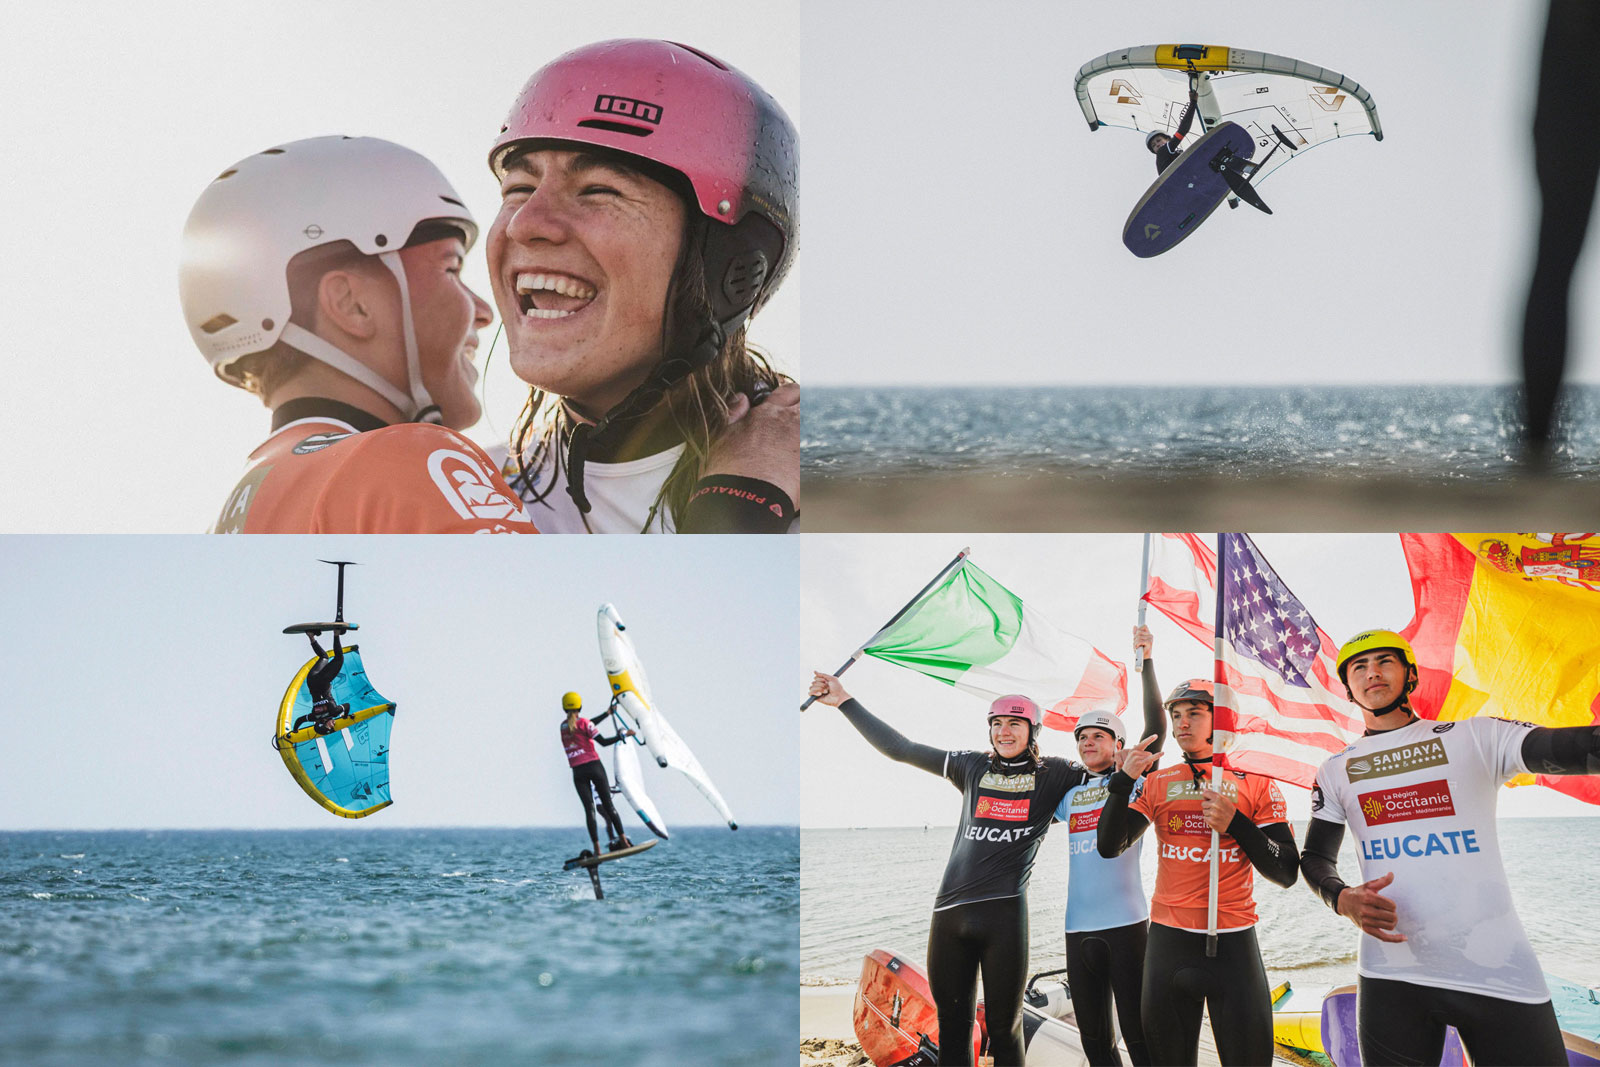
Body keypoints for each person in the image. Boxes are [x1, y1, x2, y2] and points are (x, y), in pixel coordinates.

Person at [487, 39, 800, 534]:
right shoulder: (467, 497)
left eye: (599, 190)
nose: (524, 224)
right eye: (518, 190)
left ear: (732, 268)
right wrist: (741, 516)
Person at [180, 135, 537, 534]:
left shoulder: (231, 515)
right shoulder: (409, 461)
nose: (484, 311)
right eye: (451, 269)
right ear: (352, 304)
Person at [1299, 628, 1600, 1065]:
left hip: (1498, 971)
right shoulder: (1336, 769)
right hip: (1391, 972)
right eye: (1358, 667)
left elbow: (1574, 747)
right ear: (1348, 688)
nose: (1372, 673)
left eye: (1385, 661)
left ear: (1411, 674)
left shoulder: (1476, 737)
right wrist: (1342, 898)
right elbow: (1315, 859)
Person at [808, 672, 1085, 1067]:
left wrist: (1129, 768)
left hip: (1003, 918)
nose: (1004, 732)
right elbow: (900, 748)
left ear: (1033, 730)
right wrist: (844, 700)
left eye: (1015, 723)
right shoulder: (971, 767)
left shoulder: (1055, 773)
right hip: (949, 917)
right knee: (953, 1027)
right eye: (997, 724)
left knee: (1006, 1030)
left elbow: (1102, 769)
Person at [1096, 673, 1299, 1066]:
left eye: (1194, 713)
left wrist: (1236, 823)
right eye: (1176, 715)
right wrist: (1123, 783)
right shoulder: (1159, 782)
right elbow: (1110, 846)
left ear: (1221, 720)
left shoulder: (1255, 781)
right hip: (1169, 946)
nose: (1182, 723)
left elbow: (1286, 870)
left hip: (1234, 944)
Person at [1052, 625, 1168, 1066]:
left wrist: (1147, 661)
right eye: (1082, 737)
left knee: (1140, 1038)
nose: (1087, 742)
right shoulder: (1069, 795)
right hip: (1076, 929)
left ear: (1119, 745)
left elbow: (1157, 728)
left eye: (1098, 736)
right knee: (1096, 1043)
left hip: (1126, 927)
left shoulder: (1137, 783)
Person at [1521, 0, 1600, 452]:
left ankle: (1536, 451)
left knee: (1554, 255)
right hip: (1569, 60)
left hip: (1567, 62)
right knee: (1555, 256)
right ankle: (1536, 447)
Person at [560, 692, 633, 856]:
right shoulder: (585, 723)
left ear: (564, 707)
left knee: (589, 810)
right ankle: (624, 842)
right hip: (594, 767)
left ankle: (597, 849)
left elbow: (583, 725)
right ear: (580, 706)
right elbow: (603, 742)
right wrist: (622, 736)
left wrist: (607, 714)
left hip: (578, 772)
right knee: (609, 805)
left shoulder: (563, 727)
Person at [293, 630, 349, 735]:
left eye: (330, 726)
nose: (333, 725)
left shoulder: (335, 712)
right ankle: (311, 636)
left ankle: (336, 634)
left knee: (339, 658)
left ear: (323, 723)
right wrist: (295, 730)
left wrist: (345, 716)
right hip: (311, 680)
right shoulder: (313, 716)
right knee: (324, 657)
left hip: (323, 681)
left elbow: (347, 706)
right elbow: (299, 721)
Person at [1146, 81, 1200, 176]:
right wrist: (1193, 102)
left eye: (1158, 141)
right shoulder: (1163, 152)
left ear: (1168, 139)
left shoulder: (1173, 154)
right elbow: (1183, 130)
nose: (1157, 145)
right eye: (1154, 145)